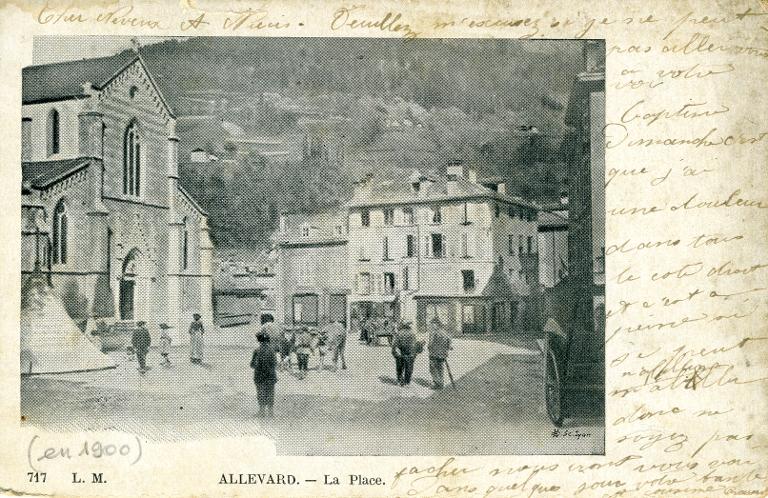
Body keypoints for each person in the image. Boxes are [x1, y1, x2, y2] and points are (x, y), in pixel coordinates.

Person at [250, 332, 278, 418]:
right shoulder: (272, 350)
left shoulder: (256, 351)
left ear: (259, 341)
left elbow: (252, 364)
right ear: (268, 340)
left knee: (261, 393)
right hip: (270, 375)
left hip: (259, 376)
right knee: (270, 393)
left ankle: (262, 412)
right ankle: (271, 413)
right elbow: (275, 363)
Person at [391, 322, 419, 386]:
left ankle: (399, 380)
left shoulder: (399, 333)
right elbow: (415, 344)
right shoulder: (413, 333)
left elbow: (395, 344)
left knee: (400, 367)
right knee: (409, 368)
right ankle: (407, 381)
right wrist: (414, 354)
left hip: (401, 353)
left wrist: (395, 353)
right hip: (410, 353)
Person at [427, 317, 452, 389]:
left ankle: (437, 383)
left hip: (434, 354)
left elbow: (430, 344)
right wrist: (446, 349)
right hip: (443, 354)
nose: (431, 326)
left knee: (433, 368)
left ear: (436, 324)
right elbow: (450, 342)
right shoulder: (445, 332)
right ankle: (441, 383)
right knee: (440, 368)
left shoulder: (433, 332)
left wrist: (429, 349)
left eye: (432, 324)